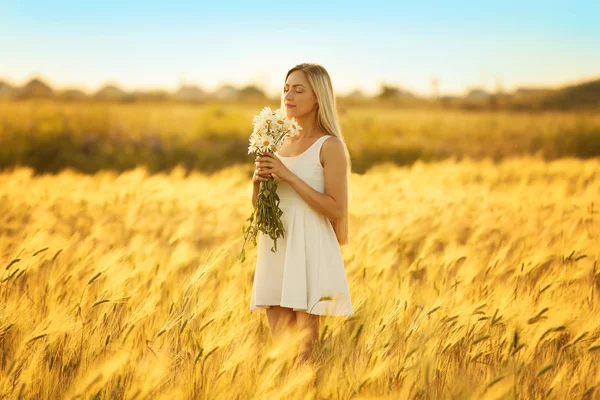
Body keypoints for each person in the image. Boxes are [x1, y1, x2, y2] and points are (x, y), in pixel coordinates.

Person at [249, 63, 354, 363]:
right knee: (282, 354)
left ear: (318, 96)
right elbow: (260, 208)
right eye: (285, 89)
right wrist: (258, 183)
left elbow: (336, 208)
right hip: (277, 246)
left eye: (298, 89)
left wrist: (289, 176)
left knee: (305, 355)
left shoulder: (330, 146)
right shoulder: (277, 141)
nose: (288, 96)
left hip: (309, 247)